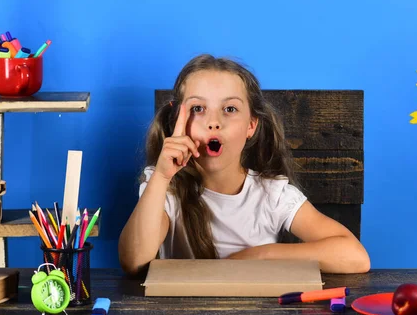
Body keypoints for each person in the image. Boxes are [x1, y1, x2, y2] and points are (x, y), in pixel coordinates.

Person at [118, 54, 370, 277]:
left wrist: (260, 255)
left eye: (229, 109)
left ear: (251, 126)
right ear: (178, 121)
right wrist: (161, 177)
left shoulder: (272, 194)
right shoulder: (164, 189)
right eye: (198, 108)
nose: (214, 122)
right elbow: (133, 260)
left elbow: (355, 256)